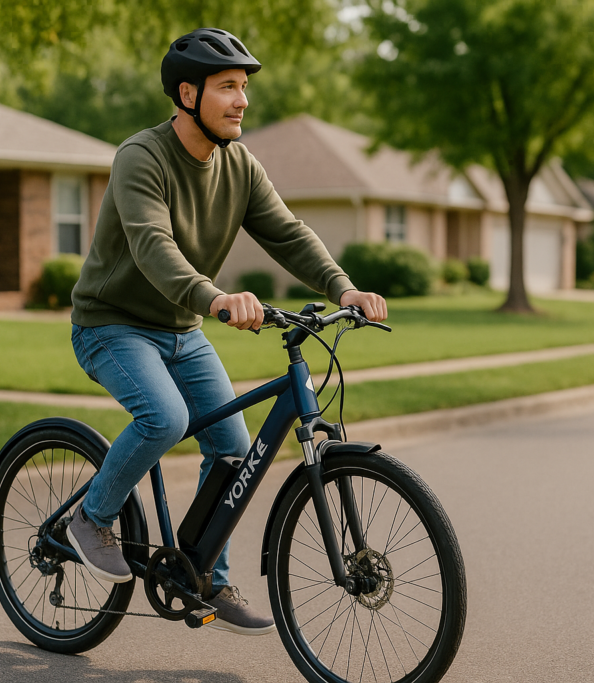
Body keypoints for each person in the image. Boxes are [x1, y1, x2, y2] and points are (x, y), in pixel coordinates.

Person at [66, 27, 387, 636]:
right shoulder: (142, 156)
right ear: (188, 94)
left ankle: (206, 575)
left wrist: (341, 287)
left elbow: (288, 233)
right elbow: (153, 245)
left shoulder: (238, 164)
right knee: (164, 418)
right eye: (228, 88)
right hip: (112, 324)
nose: (243, 101)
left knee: (235, 450)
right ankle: (91, 517)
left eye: (244, 88)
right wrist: (215, 298)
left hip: (182, 329)